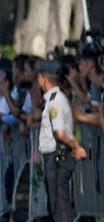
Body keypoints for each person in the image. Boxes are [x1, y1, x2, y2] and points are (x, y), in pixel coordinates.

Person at [39, 60, 88, 222]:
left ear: (43, 78)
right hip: (54, 157)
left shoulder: (55, 101)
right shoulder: (53, 99)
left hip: (58, 157)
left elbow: (60, 133)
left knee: (61, 207)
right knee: (55, 205)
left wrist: (76, 147)